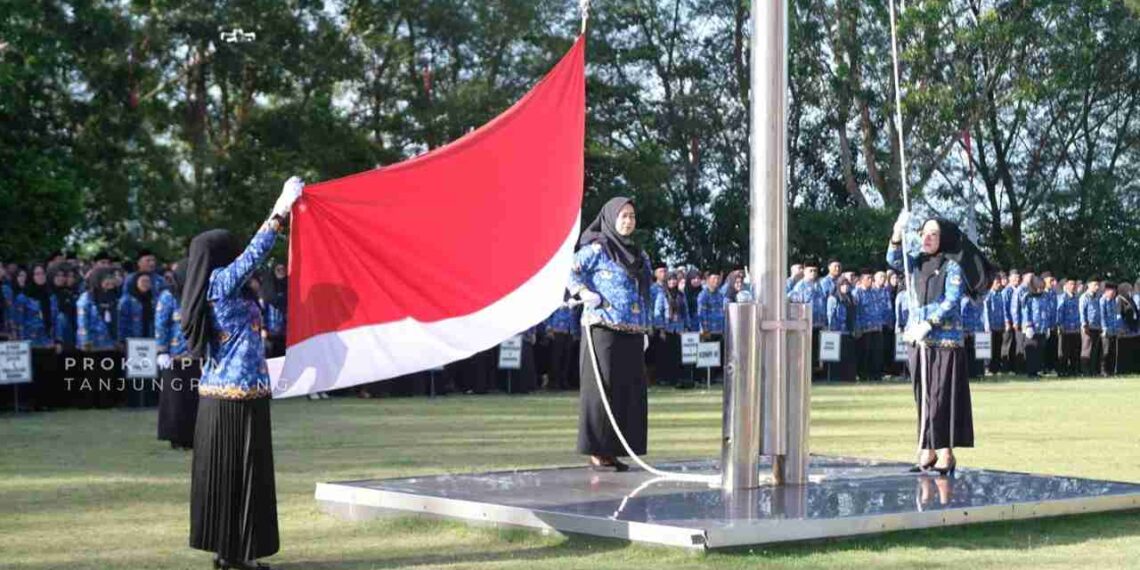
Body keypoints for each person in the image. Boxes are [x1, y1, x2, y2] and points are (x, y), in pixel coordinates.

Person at [183, 176, 302, 570]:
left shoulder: (216, 288)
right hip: (237, 399)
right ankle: (236, 554)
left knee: (229, 479)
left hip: (227, 397)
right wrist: (280, 210)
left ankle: (230, 554)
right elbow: (254, 254)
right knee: (242, 477)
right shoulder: (220, 283)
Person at [888, 213, 991, 476]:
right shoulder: (914, 262)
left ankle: (945, 451)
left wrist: (928, 322)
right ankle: (927, 448)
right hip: (918, 340)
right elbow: (893, 260)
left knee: (942, 397)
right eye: (924, 233)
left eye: (933, 234)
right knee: (923, 395)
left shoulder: (951, 265)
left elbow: (951, 300)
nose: (927, 238)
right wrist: (897, 233)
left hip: (944, 340)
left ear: (942, 239)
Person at [568, 197, 653, 473]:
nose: (628, 221)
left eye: (632, 216)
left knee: (628, 391)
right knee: (601, 389)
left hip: (632, 331)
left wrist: (645, 328)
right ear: (611, 218)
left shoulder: (640, 255)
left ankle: (615, 450)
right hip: (602, 328)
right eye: (623, 216)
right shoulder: (597, 249)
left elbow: (644, 294)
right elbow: (570, 270)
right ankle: (597, 449)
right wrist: (583, 292)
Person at [156, 260, 200, 450]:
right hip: (174, 357)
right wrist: (162, 351)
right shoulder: (168, 296)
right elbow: (161, 324)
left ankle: (194, 437)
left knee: (194, 398)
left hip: (197, 355)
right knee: (175, 400)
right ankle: (176, 438)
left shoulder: (200, 295)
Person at [12, 264, 60, 411]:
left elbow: (56, 319)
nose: (40, 276)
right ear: (31, 277)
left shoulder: (51, 296)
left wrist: (58, 340)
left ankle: (46, 402)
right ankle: (30, 403)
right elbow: (18, 320)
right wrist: (20, 341)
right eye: (37, 274)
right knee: (33, 374)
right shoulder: (23, 297)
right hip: (30, 342)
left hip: (48, 340)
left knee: (47, 373)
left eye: (42, 273)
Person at [77, 268, 123, 408]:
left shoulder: (114, 297)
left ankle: (105, 401)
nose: (110, 281)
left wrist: (117, 340)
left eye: (111, 278)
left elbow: (117, 321)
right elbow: (82, 320)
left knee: (107, 373)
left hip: (109, 342)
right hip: (92, 342)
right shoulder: (87, 297)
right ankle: (89, 401)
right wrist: (85, 340)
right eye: (106, 278)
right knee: (91, 374)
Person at [119, 272, 158, 407]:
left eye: (148, 282)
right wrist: (123, 339)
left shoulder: (154, 299)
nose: (146, 284)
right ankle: (133, 401)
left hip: (150, 339)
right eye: (143, 281)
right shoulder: (127, 300)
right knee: (134, 371)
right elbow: (122, 321)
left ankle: (149, 401)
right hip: (133, 341)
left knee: (149, 370)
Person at [653, 271, 687, 387]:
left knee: (677, 355)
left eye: (674, 279)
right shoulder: (662, 294)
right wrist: (661, 329)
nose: (672, 282)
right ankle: (664, 379)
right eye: (670, 280)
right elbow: (658, 312)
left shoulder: (681, 295)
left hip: (679, 328)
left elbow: (685, 312)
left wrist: (686, 326)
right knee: (665, 355)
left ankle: (676, 379)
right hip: (666, 329)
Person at [825, 277, 857, 382]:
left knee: (848, 357)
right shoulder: (833, 298)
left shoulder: (850, 298)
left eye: (847, 285)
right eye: (843, 285)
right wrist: (833, 329)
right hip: (837, 332)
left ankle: (848, 378)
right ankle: (835, 378)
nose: (845, 287)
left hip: (848, 331)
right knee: (837, 357)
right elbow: (831, 315)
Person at [1021, 276, 1049, 378]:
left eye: (1042, 287)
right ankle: (1031, 372)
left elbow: (1047, 311)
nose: (1040, 289)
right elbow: (1026, 311)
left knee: (1039, 350)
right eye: (1039, 287)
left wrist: (1047, 326)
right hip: (1032, 328)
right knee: (1031, 350)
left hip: (1042, 327)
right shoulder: (1028, 296)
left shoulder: (1044, 296)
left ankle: (1037, 371)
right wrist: (1028, 325)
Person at [1056, 279, 1082, 377]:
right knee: (1063, 352)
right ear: (1066, 285)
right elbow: (1059, 312)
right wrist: (1060, 325)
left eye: (1074, 284)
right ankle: (1062, 371)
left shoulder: (1077, 298)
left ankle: (1073, 371)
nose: (1073, 286)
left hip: (1075, 328)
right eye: (1071, 284)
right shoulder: (1062, 298)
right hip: (1065, 328)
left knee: (1074, 351)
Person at [982, 276, 1006, 375]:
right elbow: (986, 311)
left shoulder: (1000, 295)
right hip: (990, 326)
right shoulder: (988, 295)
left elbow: (1003, 310)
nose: (999, 285)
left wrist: (1004, 323)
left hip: (999, 325)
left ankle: (995, 368)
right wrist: (987, 325)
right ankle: (986, 368)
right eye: (997, 283)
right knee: (988, 348)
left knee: (997, 347)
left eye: (999, 282)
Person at [1079, 278, 1103, 376]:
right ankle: (1085, 371)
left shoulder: (1099, 297)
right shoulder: (1084, 297)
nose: (1097, 287)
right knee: (1087, 349)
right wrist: (1084, 324)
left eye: (1098, 285)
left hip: (1097, 326)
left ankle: (1093, 370)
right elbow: (1082, 312)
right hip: (1088, 327)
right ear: (1089, 285)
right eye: (1095, 285)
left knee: (1094, 350)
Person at [1100, 283, 1121, 377]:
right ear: (1107, 291)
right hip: (1106, 330)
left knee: (1113, 351)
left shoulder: (1113, 301)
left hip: (1114, 329)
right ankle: (1103, 370)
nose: (1114, 293)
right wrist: (1104, 328)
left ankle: (1111, 371)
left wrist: (1118, 328)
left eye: (1115, 291)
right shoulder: (1102, 301)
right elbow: (1102, 316)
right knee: (1106, 351)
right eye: (1112, 291)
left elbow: (1115, 315)